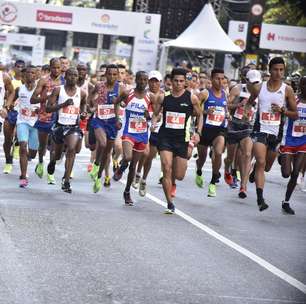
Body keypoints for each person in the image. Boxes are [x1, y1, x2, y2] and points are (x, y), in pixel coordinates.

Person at [250, 57, 298, 211]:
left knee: (267, 166)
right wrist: (246, 111)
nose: (278, 73)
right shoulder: (259, 88)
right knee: (262, 161)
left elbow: (295, 114)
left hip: (276, 132)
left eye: (281, 70)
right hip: (260, 130)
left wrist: (283, 110)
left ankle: (255, 170)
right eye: (276, 69)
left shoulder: (287, 90)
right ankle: (260, 199)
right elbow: (250, 101)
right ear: (269, 70)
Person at [153, 68, 202, 213]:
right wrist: (154, 122)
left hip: (181, 140)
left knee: (179, 175)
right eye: (176, 81)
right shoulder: (163, 97)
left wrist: (198, 133)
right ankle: (169, 202)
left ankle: (172, 181)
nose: (178, 84)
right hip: (165, 138)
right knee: (166, 167)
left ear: (185, 82)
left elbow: (200, 116)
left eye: (181, 81)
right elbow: (155, 114)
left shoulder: (191, 98)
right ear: (171, 81)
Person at [112, 71, 153, 206]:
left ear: (147, 81)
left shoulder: (150, 97)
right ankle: (120, 169)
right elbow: (116, 103)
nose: (142, 82)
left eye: (145, 80)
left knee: (133, 167)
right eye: (140, 79)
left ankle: (127, 191)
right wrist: (118, 118)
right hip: (128, 131)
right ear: (136, 80)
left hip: (142, 134)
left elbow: (154, 115)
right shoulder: (127, 93)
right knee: (128, 157)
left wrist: (149, 117)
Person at [46, 68, 86, 193]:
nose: (73, 77)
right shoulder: (58, 90)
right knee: (57, 156)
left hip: (73, 127)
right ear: (65, 76)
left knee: (72, 148)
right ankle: (52, 161)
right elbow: (48, 108)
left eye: (75, 75)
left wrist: (84, 113)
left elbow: (84, 105)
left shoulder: (82, 93)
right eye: (70, 75)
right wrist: (63, 105)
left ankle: (66, 180)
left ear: (78, 77)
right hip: (59, 125)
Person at [224, 68, 261, 198]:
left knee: (246, 154)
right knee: (230, 157)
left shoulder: (261, 92)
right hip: (234, 126)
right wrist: (238, 105)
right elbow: (226, 105)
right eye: (253, 82)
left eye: (257, 82)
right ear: (247, 81)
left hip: (248, 128)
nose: (255, 85)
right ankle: (227, 167)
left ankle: (243, 187)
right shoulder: (237, 89)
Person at [88, 64, 123, 192]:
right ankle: (96, 165)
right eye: (110, 74)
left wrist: (119, 119)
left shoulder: (121, 88)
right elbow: (90, 97)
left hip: (112, 123)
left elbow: (122, 105)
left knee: (107, 153)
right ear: (106, 74)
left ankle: (98, 177)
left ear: (118, 75)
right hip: (99, 121)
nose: (112, 77)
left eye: (115, 74)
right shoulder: (99, 85)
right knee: (101, 144)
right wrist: (91, 107)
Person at [30, 57, 65, 184]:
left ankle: (51, 171)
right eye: (54, 67)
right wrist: (45, 98)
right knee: (43, 145)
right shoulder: (43, 81)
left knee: (54, 146)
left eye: (58, 67)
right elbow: (33, 100)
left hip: (59, 117)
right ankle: (40, 162)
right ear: (49, 68)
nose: (56, 70)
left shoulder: (65, 82)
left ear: (61, 68)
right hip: (45, 116)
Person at [195, 68, 228, 197]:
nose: (220, 81)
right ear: (211, 79)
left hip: (219, 130)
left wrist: (227, 115)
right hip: (205, 130)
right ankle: (198, 171)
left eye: (222, 78)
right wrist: (205, 112)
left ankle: (213, 182)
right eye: (217, 78)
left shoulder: (225, 93)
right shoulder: (204, 93)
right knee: (202, 157)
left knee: (218, 153)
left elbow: (224, 109)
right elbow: (194, 110)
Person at [132, 70, 163, 196]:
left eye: (156, 82)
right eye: (151, 81)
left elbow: (163, 112)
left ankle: (144, 179)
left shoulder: (163, 96)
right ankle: (138, 173)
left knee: (150, 156)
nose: (154, 84)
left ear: (160, 83)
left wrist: (159, 117)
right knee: (144, 152)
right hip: (143, 127)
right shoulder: (144, 94)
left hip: (157, 129)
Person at [279, 76, 306, 214]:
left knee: (295, 173)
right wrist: (284, 111)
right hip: (289, 140)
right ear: (301, 86)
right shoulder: (293, 100)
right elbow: (283, 113)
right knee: (286, 173)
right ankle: (281, 157)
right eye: (304, 84)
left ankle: (286, 202)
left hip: (303, 142)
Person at [15, 66, 39, 187]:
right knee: (23, 147)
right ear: (25, 75)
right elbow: (11, 99)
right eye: (28, 72)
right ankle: (23, 176)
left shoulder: (40, 89)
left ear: (36, 76)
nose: (30, 74)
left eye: (33, 73)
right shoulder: (20, 89)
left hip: (36, 124)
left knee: (33, 153)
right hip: (22, 121)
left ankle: (28, 158)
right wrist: (6, 107)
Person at [1, 66, 16, 174]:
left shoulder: (4, 77)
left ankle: (8, 160)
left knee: (9, 139)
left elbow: (12, 92)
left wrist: (6, 107)